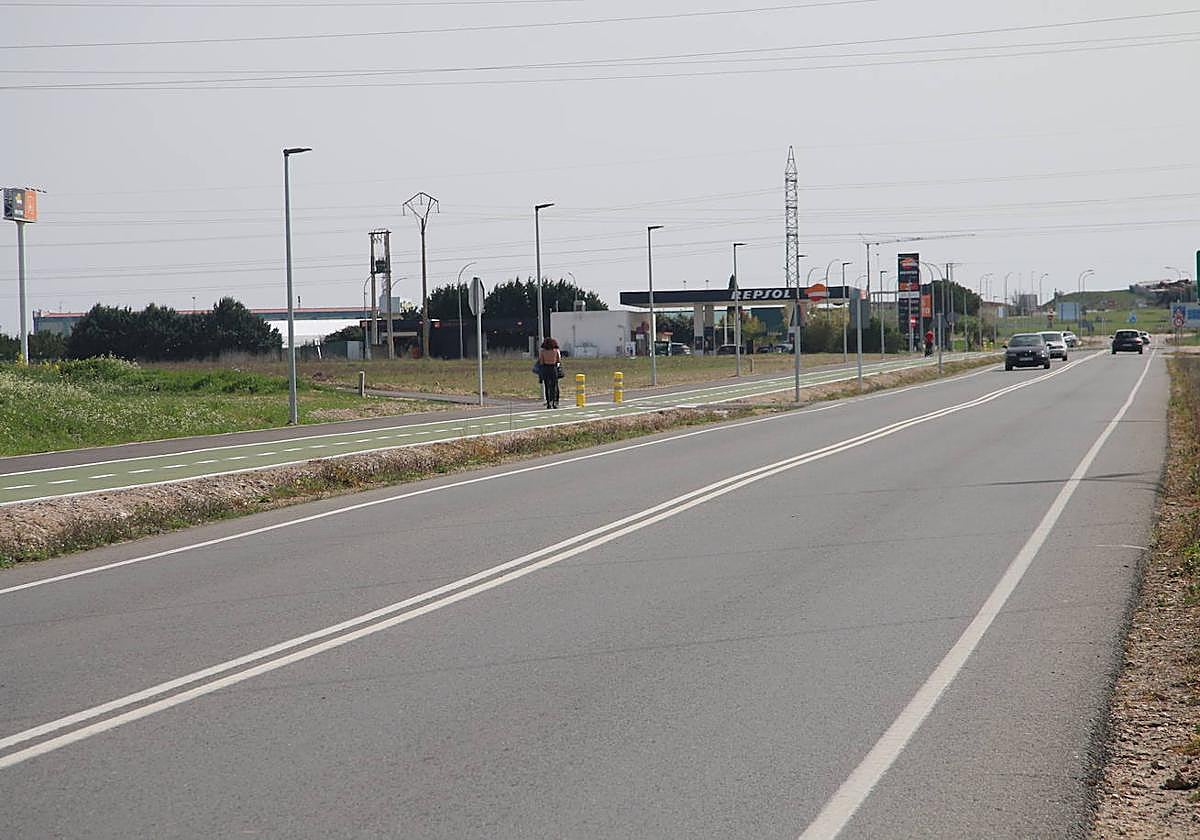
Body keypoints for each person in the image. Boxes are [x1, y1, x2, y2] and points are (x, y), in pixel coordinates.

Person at [537, 337, 562, 408]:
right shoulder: (555, 351)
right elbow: (558, 360)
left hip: (545, 368)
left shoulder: (543, 351)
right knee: (554, 386)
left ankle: (548, 402)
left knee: (547, 386)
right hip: (553, 368)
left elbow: (541, 362)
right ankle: (554, 402)